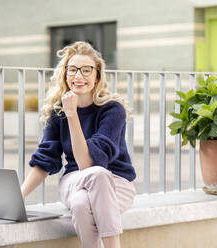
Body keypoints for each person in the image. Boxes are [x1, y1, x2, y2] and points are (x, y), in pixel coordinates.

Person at [20, 41, 136, 248]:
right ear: (65, 74)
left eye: (86, 70)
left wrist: (72, 115)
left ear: (97, 76)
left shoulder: (112, 110)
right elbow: (46, 160)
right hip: (75, 180)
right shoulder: (57, 112)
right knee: (94, 179)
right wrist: (18, 197)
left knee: (83, 200)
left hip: (117, 183)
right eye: (72, 70)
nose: (78, 76)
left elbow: (88, 163)